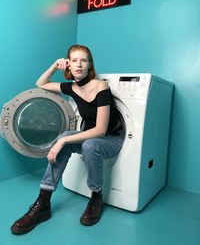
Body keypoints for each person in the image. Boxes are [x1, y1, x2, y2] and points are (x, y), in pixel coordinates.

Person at [11, 44, 124, 235]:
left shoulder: (101, 86)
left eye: (84, 60)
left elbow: (100, 129)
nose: (79, 64)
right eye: (74, 60)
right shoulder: (71, 87)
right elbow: (40, 83)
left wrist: (62, 142)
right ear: (68, 65)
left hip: (111, 139)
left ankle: (96, 196)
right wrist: (54, 67)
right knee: (71, 138)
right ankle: (43, 202)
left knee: (84, 143)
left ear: (90, 65)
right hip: (90, 139)